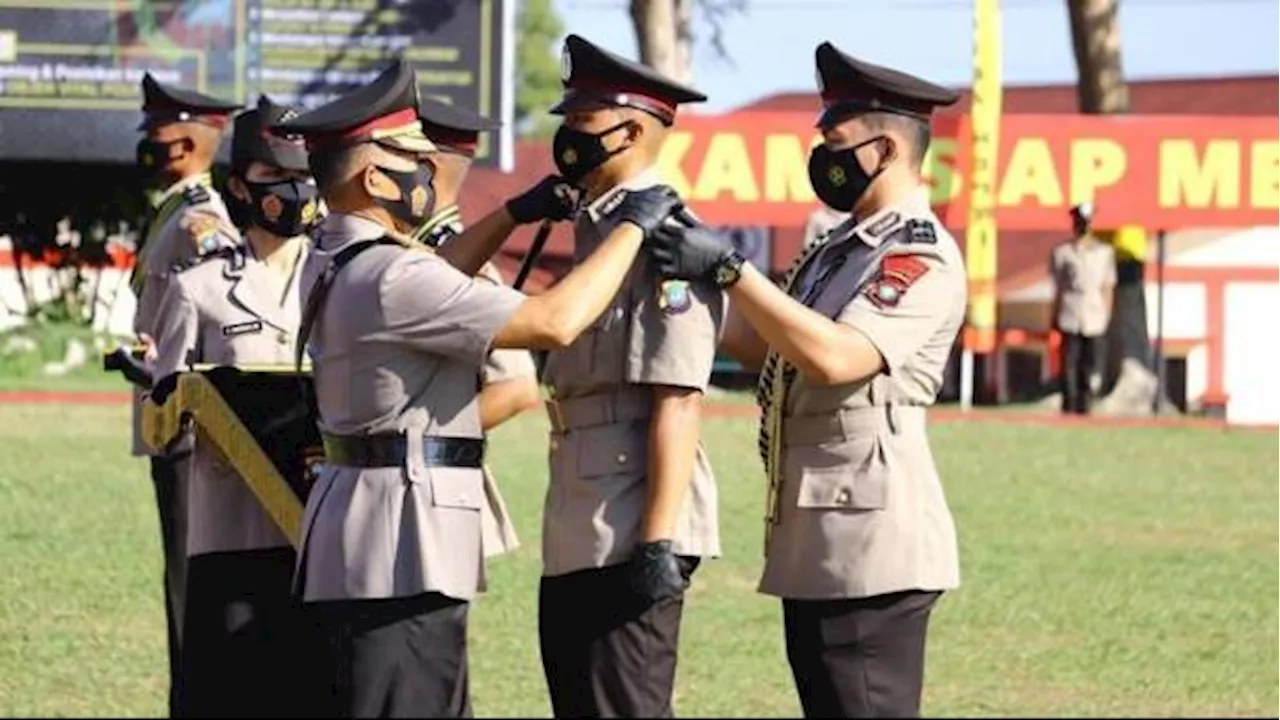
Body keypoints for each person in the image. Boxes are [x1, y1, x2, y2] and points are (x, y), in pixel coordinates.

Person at [270, 57, 685, 718]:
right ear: (375, 175)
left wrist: (512, 215)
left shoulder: (335, 252)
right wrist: (635, 225)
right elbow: (554, 321)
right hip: (402, 546)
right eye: (413, 158)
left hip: (364, 530)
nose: (427, 171)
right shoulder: (390, 276)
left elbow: (429, 271)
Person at [643, 41, 966, 719]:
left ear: (884, 149)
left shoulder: (917, 254)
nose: (822, 154)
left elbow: (840, 357)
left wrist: (732, 269)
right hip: (821, 536)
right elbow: (767, 347)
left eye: (836, 140)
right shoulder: (836, 248)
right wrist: (680, 280)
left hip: (874, 544)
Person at [148, 94, 320, 717]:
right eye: (276, 177)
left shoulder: (343, 281)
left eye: (304, 175)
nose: (294, 190)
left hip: (320, 534)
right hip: (230, 530)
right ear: (239, 186)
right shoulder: (198, 289)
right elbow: (161, 418)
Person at [129, 72, 242, 715]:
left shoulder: (202, 217)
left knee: (190, 582)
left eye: (159, 134)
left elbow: (221, 301)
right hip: (165, 411)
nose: (149, 145)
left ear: (188, 145)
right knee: (180, 576)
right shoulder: (174, 207)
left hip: (188, 421)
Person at [412, 96, 540, 559]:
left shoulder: (466, 268)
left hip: (430, 485)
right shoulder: (399, 251)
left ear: (423, 165)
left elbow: (517, 387)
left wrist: (406, 443)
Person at [1050, 203, 1116, 415]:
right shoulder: (1063, 253)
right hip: (1071, 312)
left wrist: (1106, 314)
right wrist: (1054, 313)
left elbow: (1107, 286)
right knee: (1069, 362)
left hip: (1094, 314)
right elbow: (1059, 287)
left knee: (1090, 364)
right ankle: (1068, 404)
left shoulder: (1104, 253)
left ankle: (1085, 406)